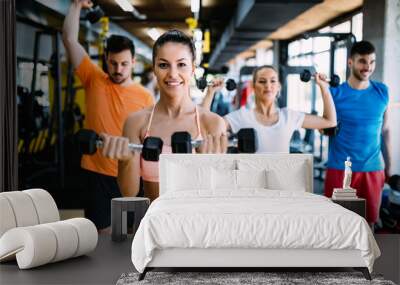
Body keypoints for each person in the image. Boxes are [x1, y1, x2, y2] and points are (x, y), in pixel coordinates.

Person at [100, 30, 227, 202]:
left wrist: (208, 164)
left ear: (192, 70)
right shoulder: (136, 122)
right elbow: (128, 193)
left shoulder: (212, 123)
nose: (173, 74)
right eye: (163, 65)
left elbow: (220, 197)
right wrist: (126, 161)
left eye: (181, 64)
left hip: (198, 224)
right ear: (154, 69)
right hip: (154, 223)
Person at [62, 0, 154, 232]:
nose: (118, 69)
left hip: (131, 174)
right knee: (102, 235)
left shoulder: (145, 96)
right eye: (113, 63)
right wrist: (75, 6)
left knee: (131, 234)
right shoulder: (94, 79)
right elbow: (69, 40)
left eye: (124, 63)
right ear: (106, 60)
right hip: (97, 172)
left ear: (133, 62)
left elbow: (148, 138)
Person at [324, 41, 392, 226]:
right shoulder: (334, 93)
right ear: (350, 63)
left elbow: (385, 131)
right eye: (362, 61)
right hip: (340, 167)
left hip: (373, 167)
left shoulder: (382, 91)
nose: (368, 67)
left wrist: (389, 168)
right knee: (337, 223)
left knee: (370, 223)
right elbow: (325, 127)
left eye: (372, 62)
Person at [201, 65, 337, 153]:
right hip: (250, 186)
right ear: (253, 87)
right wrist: (210, 94)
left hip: (281, 185)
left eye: (273, 81)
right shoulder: (242, 116)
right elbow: (205, 127)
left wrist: (324, 88)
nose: (268, 85)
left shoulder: (289, 116)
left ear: (278, 87)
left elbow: (329, 122)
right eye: (262, 81)